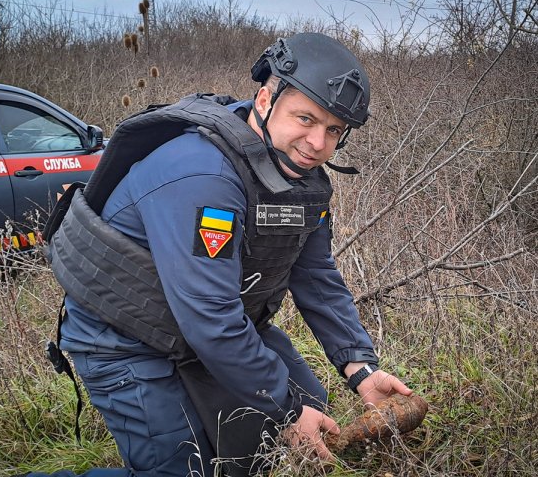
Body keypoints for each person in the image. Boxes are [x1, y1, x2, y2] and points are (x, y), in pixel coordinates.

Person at [26, 32, 412, 477]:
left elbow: (317, 278)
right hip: (126, 337)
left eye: (333, 131)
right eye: (305, 119)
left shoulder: (299, 178)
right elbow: (210, 317)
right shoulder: (204, 175)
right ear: (266, 100)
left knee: (300, 415)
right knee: (186, 470)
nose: (316, 143)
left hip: (201, 325)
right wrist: (284, 408)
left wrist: (360, 369)